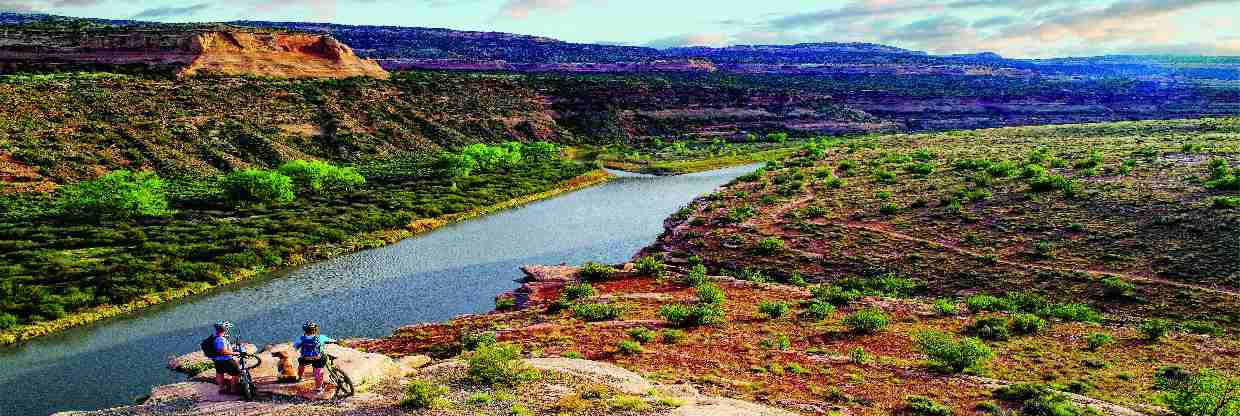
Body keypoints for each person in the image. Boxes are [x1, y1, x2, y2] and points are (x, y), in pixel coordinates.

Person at [293, 321, 335, 394]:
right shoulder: (320, 337)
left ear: (304, 330)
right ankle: (319, 388)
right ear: (315, 330)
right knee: (318, 372)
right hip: (318, 358)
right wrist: (335, 341)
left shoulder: (301, 338)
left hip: (306, 358)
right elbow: (332, 340)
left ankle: (300, 377)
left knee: (301, 363)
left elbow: (295, 347)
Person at [203, 321, 242, 395]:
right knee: (237, 373)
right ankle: (233, 390)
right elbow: (223, 351)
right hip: (226, 360)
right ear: (224, 329)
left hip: (217, 360)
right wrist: (235, 353)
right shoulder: (221, 339)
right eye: (227, 328)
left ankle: (222, 389)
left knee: (220, 373)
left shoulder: (214, 336)